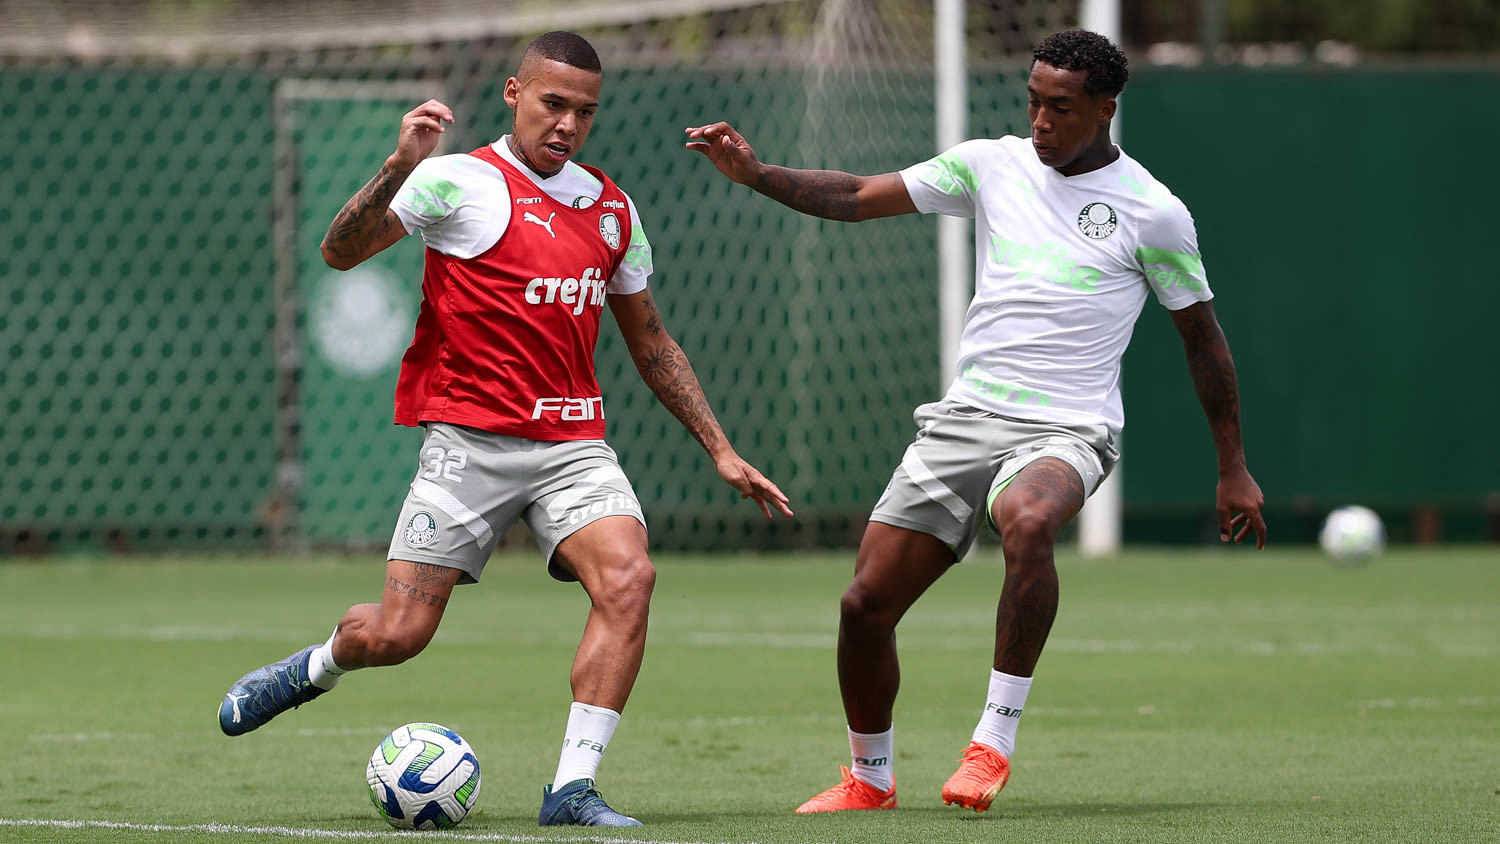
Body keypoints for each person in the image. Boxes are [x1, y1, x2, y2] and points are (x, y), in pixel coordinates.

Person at [218, 30, 792, 828]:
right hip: (467, 447)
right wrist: (400, 164)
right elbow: (339, 250)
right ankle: (313, 668)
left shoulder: (612, 208)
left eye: (584, 112)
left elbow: (652, 342)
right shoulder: (453, 182)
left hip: (572, 450)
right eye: (553, 104)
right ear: (515, 95)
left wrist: (721, 450)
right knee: (397, 635)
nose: (567, 124)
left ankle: (572, 790)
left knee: (631, 579)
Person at [686, 29, 1266, 814]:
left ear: (1105, 109)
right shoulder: (990, 166)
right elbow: (857, 196)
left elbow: (1203, 339)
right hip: (965, 420)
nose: (1041, 121)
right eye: (1033, 102)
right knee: (864, 607)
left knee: (1027, 523)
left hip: (1069, 429)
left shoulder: (1154, 213)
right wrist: (757, 175)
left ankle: (991, 744)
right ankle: (871, 779)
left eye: (1061, 108)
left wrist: (1232, 465)